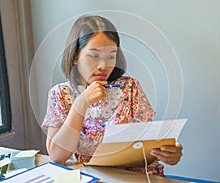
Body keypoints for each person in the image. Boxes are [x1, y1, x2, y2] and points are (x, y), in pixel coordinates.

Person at [42, 15, 183, 176]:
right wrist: (81, 103)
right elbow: (57, 156)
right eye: (94, 56)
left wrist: (168, 154)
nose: (103, 66)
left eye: (111, 56)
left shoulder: (130, 87)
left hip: (133, 177)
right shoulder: (60, 94)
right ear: (75, 56)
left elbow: (146, 146)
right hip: (90, 177)